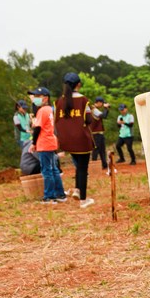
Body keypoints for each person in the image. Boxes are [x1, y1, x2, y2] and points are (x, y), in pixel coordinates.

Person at [55, 72, 95, 208]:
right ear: (78, 84)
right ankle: (83, 200)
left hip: (67, 141)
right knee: (83, 168)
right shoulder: (83, 100)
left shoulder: (58, 102)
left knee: (78, 166)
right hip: (81, 140)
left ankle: (78, 190)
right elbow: (89, 119)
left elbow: (57, 121)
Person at [30, 87, 66, 203]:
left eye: (37, 97)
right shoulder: (49, 109)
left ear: (45, 98)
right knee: (54, 169)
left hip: (44, 143)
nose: (35, 99)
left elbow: (37, 128)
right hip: (50, 141)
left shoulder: (42, 111)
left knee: (47, 171)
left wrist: (33, 143)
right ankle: (60, 194)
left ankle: (49, 196)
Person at [90, 96, 110, 173]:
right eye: (102, 103)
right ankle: (94, 166)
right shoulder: (94, 110)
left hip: (99, 133)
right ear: (98, 102)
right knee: (96, 150)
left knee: (102, 150)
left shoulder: (95, 109)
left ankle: (104, 164)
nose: (102, 105)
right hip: (96, 134)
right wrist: (106, 108)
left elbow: (104, 115)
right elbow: (103, 116)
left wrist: (106, 109)